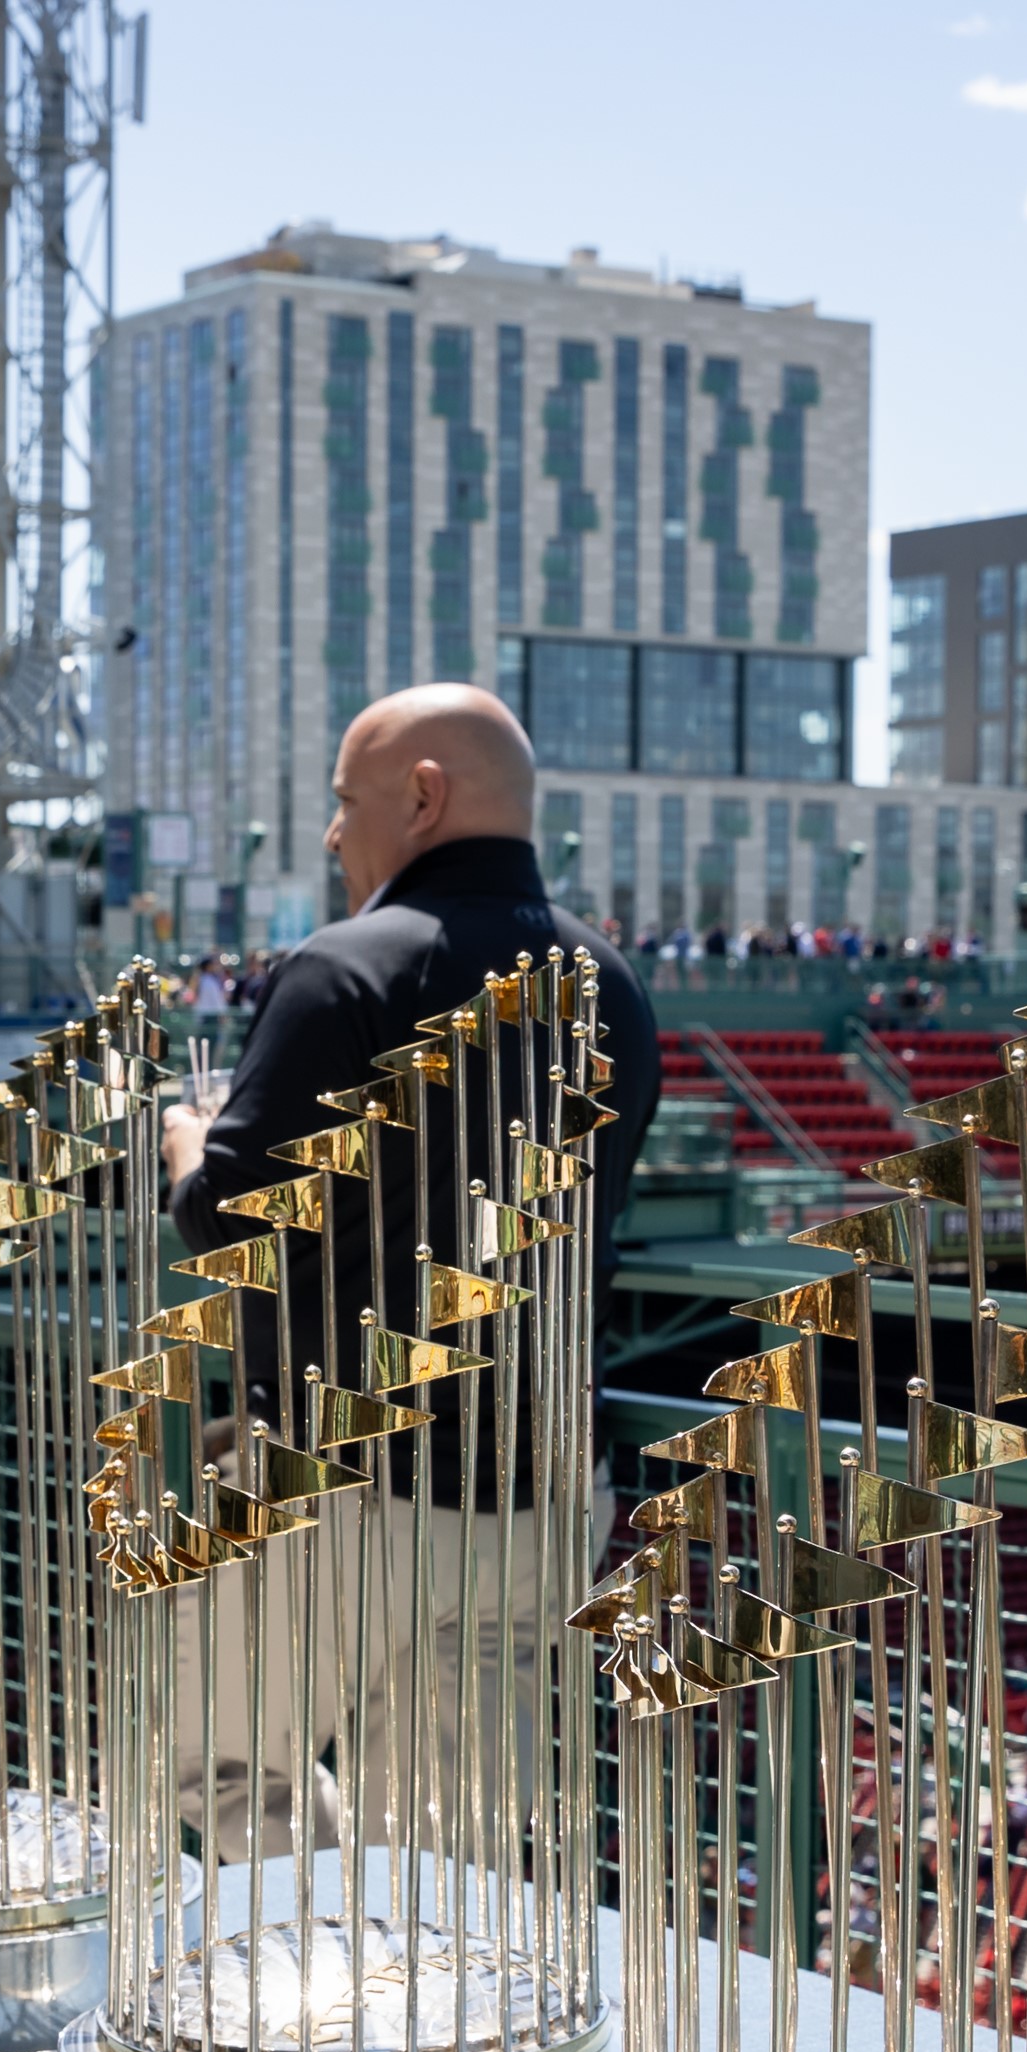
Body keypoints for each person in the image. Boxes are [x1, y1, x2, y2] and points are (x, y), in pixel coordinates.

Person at [154, 681, 658, 1845]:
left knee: (219, 1770)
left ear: (422, 797)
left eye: (346, 800)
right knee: (452, 1834)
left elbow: (229, 1219)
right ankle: (399, 1950)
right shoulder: (614, 984)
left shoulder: (345, 967)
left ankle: (321, 1946)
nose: (335, 833)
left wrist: (188, 1145)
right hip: (540, 1490)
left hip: (342, 1480)